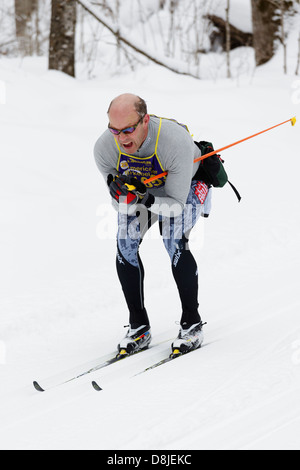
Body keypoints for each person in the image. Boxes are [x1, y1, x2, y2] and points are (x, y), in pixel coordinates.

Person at [94, 93, 211, 356]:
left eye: (128, 130)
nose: (122, 139)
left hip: (184, 188)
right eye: (115, 130)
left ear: (145, 120)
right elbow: (119, 207)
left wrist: (145, 198)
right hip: (146, 191)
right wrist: (123, 196)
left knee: (172, 237)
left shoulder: (173, 141)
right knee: (124, 241)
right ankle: (139, 327)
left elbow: (175, 205)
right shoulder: (104, 149)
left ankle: (192, 323)